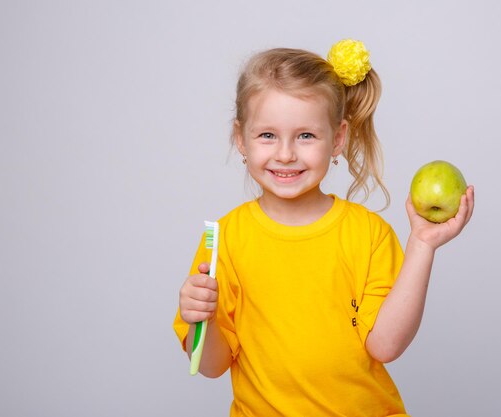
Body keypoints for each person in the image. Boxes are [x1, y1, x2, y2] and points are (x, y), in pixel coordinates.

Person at [174, 39, 475, 417]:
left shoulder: (368, 234)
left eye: (306, 135)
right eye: (267, 135)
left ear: (338, 138)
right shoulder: (225, 239)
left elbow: (386, 346)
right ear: (241, 139)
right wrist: (199, 319)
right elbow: (211, 366)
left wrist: (422, 245)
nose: (285, 153)